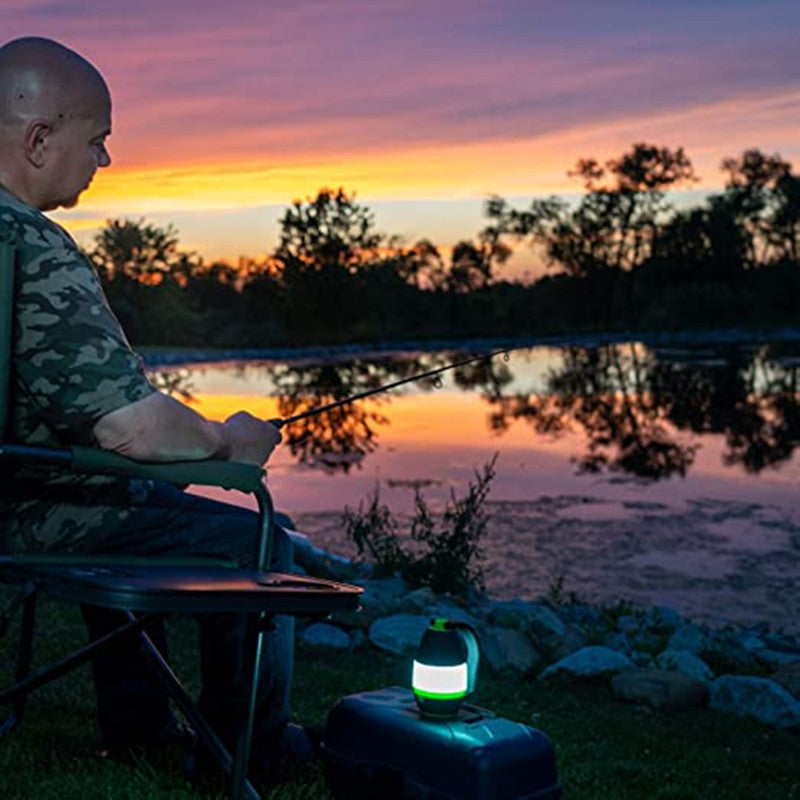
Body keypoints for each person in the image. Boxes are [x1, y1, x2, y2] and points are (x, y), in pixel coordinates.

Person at [0, 36, 310, 779]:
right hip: (23, 508)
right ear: (40, 140)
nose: (104, 160)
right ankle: (249, 750)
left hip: (22, 487)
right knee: (266, 544)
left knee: (128, 494)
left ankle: (138, 725)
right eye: (97, 139)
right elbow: (127, 425)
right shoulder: (31, 247)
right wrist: (225, 441)